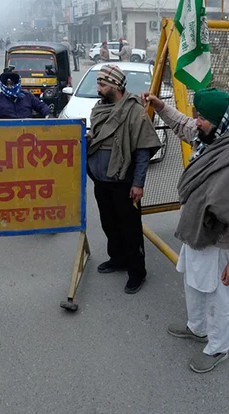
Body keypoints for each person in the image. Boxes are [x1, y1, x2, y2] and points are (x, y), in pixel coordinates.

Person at [142, 88, 229, 374]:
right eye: (196, 114)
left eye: (201, 116)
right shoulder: (211, 138)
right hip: (197, 233)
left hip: (221, 243)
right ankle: (197, 328)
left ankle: (217, 348)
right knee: (194, 284)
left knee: (219, 298)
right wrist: (160, 106)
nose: (195, 120)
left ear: (219, 119)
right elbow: (181, 124)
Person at [87, 65, 161, 294]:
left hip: (124, 182)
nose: (98, 88)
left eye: (102, 84)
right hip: (101, 180)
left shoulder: (134, 111)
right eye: (98, 84)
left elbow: (142, 151)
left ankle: (137, 272)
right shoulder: (100, 108)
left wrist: (138, 184)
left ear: (116, 86)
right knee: (109, 224)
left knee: (130, 228)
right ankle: (117, 259)